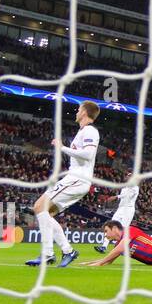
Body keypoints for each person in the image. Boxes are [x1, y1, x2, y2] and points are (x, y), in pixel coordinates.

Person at [27, 100, 100, 268]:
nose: (76, 112)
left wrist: (62, 148)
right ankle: (65, 251)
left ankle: (50, 253)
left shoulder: (90, 131)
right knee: (45, 214)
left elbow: (88, 155)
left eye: (79, 109)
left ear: (84, 112)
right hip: (75, 178)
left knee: (39, 206)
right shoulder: (82, 131)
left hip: (77, 178)